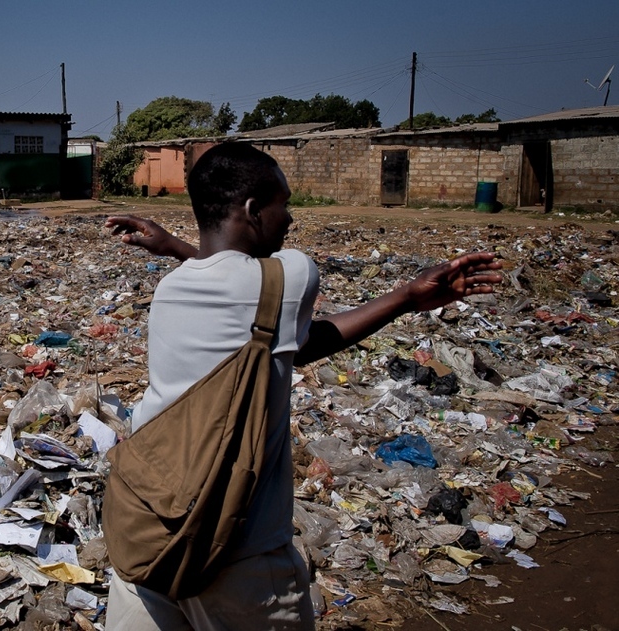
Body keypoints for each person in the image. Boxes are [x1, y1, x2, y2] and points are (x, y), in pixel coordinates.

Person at [102, 142, 503, 631]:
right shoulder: (290, 272)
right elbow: (281, 319)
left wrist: (174, 248)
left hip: (145, 537)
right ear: (252, 211)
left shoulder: (172, 290)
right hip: (237, 557)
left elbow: (282, 335)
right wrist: (404, 294)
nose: (290, 218)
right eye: (283, 205)